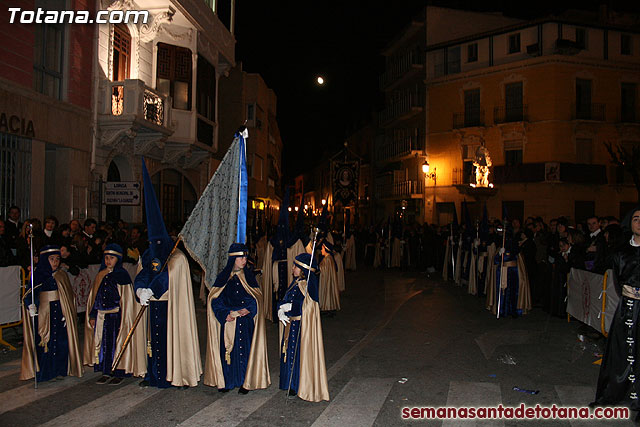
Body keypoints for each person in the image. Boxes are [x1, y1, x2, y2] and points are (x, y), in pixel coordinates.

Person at [134, 158, 201, 388]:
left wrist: (153, 288)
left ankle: (176, 374)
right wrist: (140, 288)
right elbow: (143, 272)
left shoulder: (177, 257)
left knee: (170, 340)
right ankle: (153, 374)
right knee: (152, 341)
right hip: (152, 303)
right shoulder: (148, 253)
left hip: (170, 305)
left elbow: (169, 275)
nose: (154, 244)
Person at [592, 207, 640, 416]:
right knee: (620, 350)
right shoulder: (620, 252)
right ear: (630, 223)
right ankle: (613, 393)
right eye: (637, 219)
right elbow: (617, 281)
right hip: (627, 307)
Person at [204, 243, 270, 393]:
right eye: (241, 257)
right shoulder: (224, 278)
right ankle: (227, 381)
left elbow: (256, 298)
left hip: (245, 322)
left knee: (245, 352)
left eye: (245, 257)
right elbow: (215, 299)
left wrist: (249, 309)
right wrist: (224, 314)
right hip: (229, 321)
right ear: (233, 258)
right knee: (228, 352)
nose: (244, 260)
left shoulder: (249, 276)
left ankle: (244, 382)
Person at [83, 244, 145, 385]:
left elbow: (127, 299)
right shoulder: (101, 275)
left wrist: (125, 317)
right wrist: (93, 315)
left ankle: (119, 371)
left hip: (117, 316)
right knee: (105, 344)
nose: (108, 261)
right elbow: (95, 297)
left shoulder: (122, 275)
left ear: (118, 259)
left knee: (117, 343)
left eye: (112, 258)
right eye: (106, 258)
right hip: (102, 317)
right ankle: (106, 370)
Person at [20, 245, 83, 381]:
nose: (55, 262)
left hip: (59, 312)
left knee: (60, 342)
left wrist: (68, 313)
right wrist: (31, 305)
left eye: (57, 259)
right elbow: (29, 294)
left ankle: (59, 369)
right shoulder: (38, 275)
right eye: (51, 259)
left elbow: (68, 295)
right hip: (44, 313)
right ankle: (46, 372)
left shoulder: (61, 275)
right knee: (44, 343)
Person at [278, 252, 329, 402]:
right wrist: (280, 309)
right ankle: (289, 383)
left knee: (298, 356)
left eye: (296, 266)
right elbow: (285, 298)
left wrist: (291, 307)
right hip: (290, 325)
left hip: (301, 328)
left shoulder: (307, 287)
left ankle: (298, 385)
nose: (292, 268)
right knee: (289, 354)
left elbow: (307, 307)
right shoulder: (295, 283)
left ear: (303, 269)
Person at [319, 241, 340, 314]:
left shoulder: (327, 259)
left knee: (327, 290)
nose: (321, 250)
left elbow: (323, 270)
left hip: (326, 280)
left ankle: (327, 306)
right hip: (328, 279)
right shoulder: (329, 258)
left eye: (322, 249)